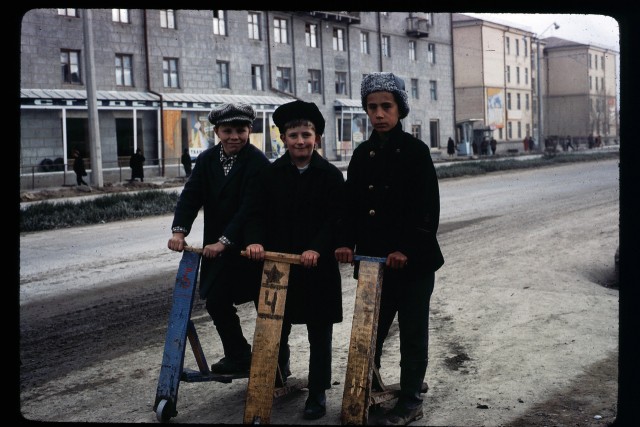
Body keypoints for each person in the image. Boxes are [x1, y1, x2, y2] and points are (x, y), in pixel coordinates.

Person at [335, 72, 444, 426]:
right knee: (371, 331)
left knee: (412, 332)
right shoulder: (362, 154)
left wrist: (405, 249)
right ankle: (368, 388)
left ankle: (411, 399)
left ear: (400, 109)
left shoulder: (415, 152)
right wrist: (344, 243)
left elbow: (427, 209)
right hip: (372, 264)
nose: (379, 113)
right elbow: (350, 206)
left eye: (386, 106)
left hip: (411, 264)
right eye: (372, 107)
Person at [244, 100, 345, 420]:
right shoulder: (269, 175)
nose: (300, 141)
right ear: (282, 138)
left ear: (317, 138)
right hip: (278, 267)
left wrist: (318, 248)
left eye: (306, 134)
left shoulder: (330, 176)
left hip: (317, 268)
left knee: (319, 332)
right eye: (293, 135)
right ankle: (277, 374)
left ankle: (317, 393)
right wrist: (256, 241)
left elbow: (336, 220)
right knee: (276, 326)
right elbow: (255, 213)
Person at [167, 103, 270, 374]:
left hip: (251, 244)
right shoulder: (206, 160)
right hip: (217, 247)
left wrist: (224, 242)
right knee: (216, 300)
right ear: (217, 131)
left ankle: (276, 364)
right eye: (227, 130)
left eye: (240, 130)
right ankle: (238, 355)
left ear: (249, 130)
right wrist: (179, 231)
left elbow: (250, 208)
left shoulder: (257, 162)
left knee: (266, 306)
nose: (234, 136)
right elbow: (191, 196)